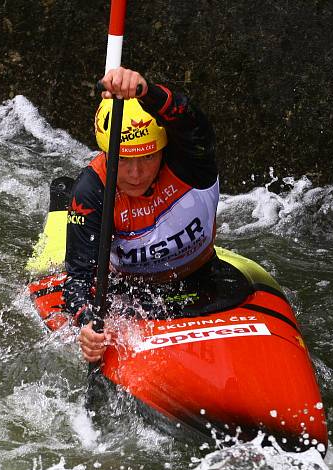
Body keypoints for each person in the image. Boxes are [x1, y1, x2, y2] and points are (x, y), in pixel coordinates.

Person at [63, 67, 248, 363]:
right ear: (107, 154)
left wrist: (147, 91)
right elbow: (78, 279)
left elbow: (192, 120)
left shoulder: (190, 163)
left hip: (204, 278)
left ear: (163, 149)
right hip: (130, 292)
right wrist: (87, 323)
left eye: (147, 157)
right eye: (123, 160)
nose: (136, 174)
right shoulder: (92, 190)